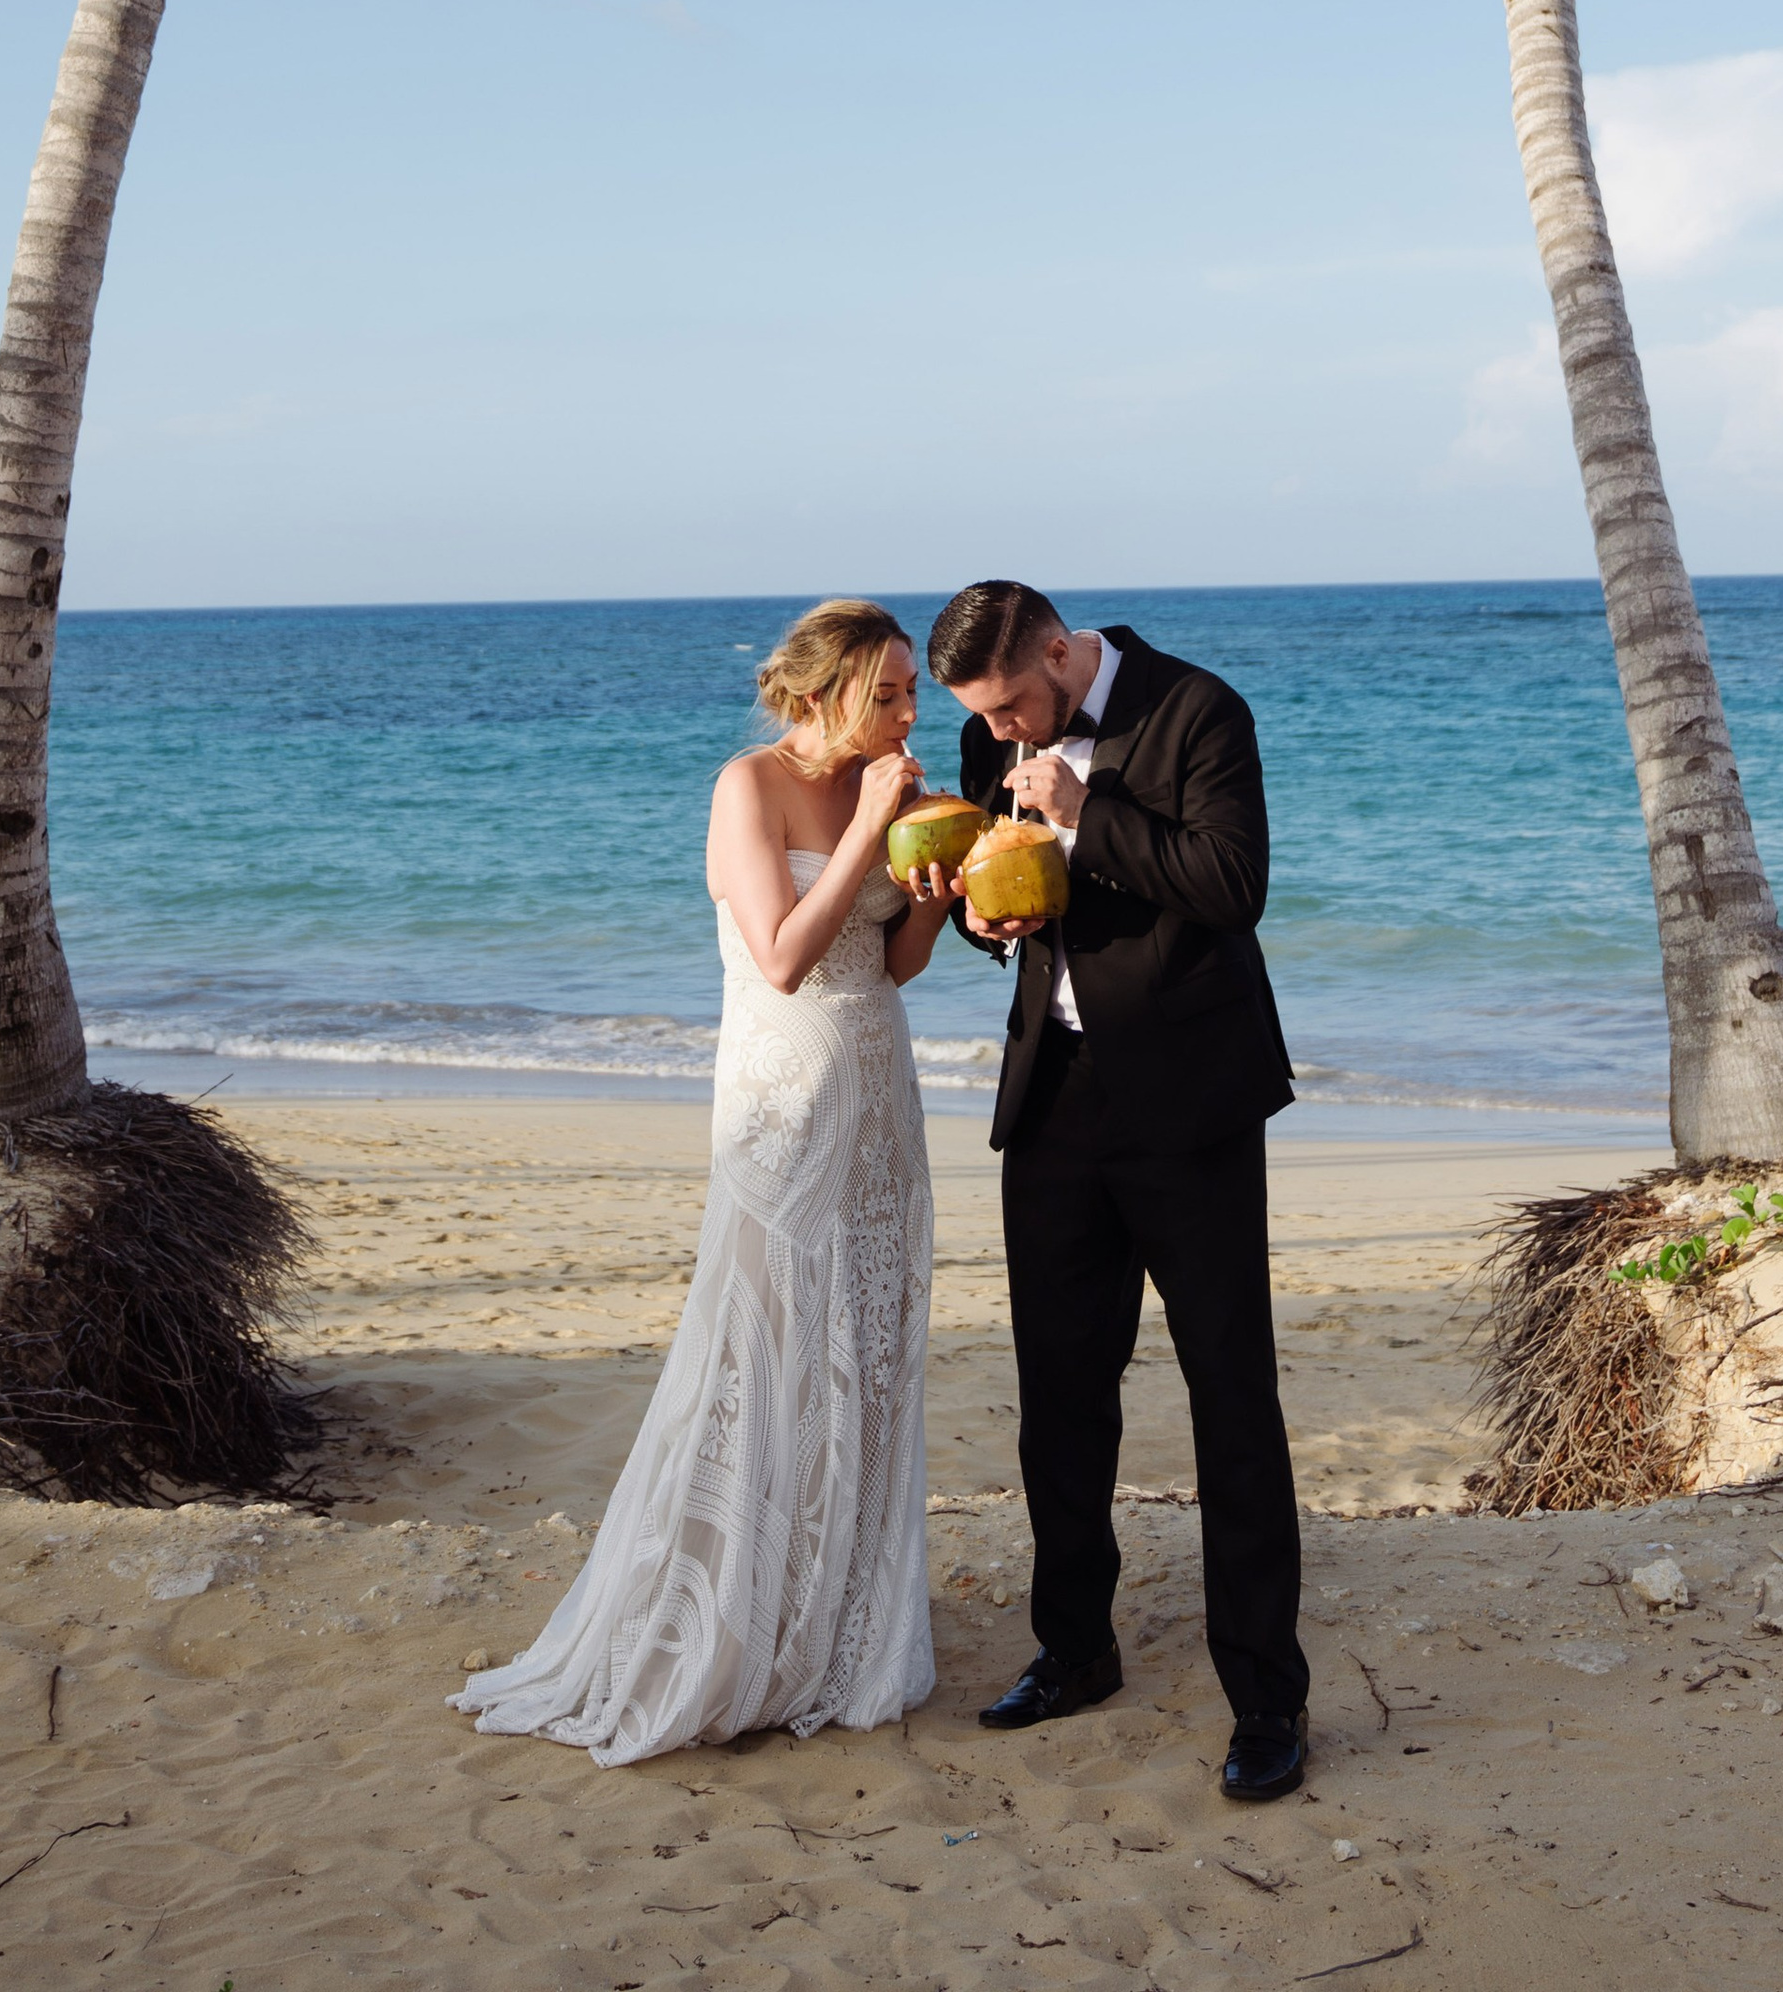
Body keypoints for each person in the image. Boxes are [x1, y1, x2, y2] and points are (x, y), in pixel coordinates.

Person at [449, 601, 954, 1765]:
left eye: (910, 691)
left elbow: (892, 962)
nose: (906, 711)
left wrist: (922, 880)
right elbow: (781, 958)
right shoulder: (750, 787)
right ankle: (728, 1621)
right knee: (771, 1344)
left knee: (867, 1341)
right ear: (823, 692)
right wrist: (875, 818)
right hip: (784, 1101)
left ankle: (834, 1620)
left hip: (881, 1094)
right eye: (886, 691)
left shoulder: (892, 783)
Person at [929, 579, 1309, 1803]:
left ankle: (1265, 1697)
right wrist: (982, 915)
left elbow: (1230, 884)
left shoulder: (1198, 707)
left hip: (1191, 1099)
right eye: (977, 716)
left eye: (1009, 704)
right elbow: (1011, 901)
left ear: (1057, 647)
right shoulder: (996, 730)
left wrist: (1088, 811)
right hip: (1057, 1093)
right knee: (1061, 1392)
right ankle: (1074, 1648)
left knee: (1230, 1399)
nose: (996, 732)